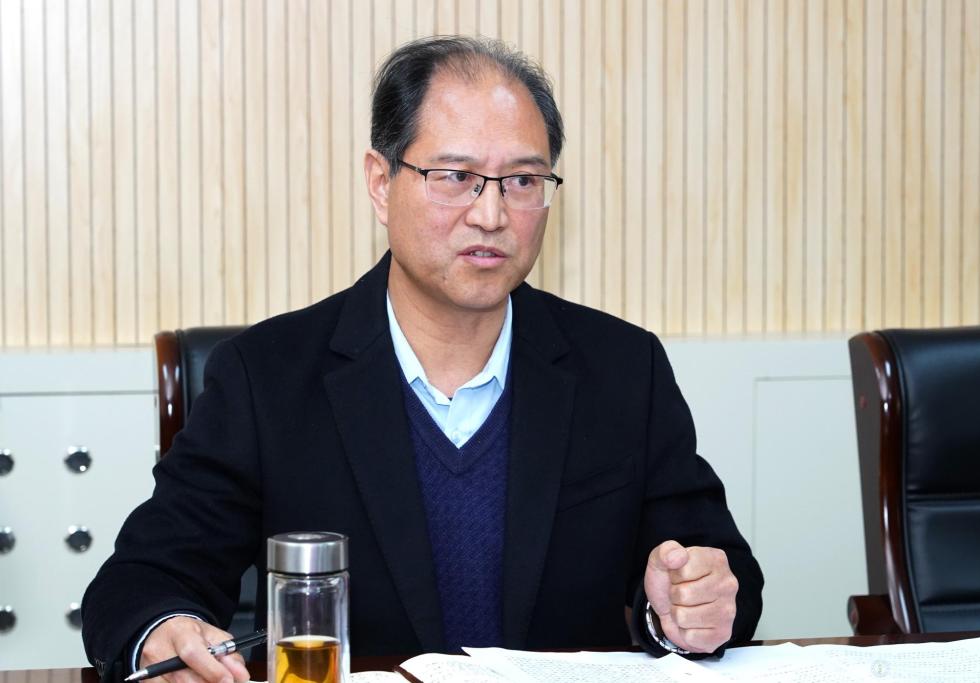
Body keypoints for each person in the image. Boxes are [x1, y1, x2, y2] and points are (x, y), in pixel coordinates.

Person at [82, 35, 763, 683]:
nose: (491, 214)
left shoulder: (623, 369)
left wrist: (694, 605)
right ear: (381, 182)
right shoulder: (265, 379)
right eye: (456, 176)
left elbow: (720, 572)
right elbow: (142, 581)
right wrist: (165, 628)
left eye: (523, 180)